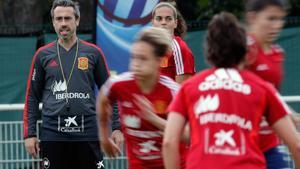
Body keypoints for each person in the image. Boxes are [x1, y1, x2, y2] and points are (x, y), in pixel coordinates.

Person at [162, 12, 300, 169]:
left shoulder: (189, 87)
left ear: (209, 52)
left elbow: (169, 142)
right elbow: (296, 145)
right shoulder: (262, 88)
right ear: (244, 52)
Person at [23, 0, 122, 168]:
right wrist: (29, 134)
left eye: (67, 18)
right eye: (59, 18)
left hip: (87, 133)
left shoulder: (93, 53)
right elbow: (32, 96)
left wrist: (117, 127)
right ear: (53, 22)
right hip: (53, 135)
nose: (63, 23)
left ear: (77, 20)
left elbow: (110, 91)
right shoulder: (42, 55)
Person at [97, 27, 188, 169]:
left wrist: (154, 119)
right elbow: (103, 99)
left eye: (143, 59)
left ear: (160, 60)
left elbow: (190, 135)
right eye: (134, 57)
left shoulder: (173, 91)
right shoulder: (119, 84)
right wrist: (104, 137)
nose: (136, 64)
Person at [245, 0, 300, 168]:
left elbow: (273, 98)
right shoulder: (241, 51)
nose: (276, 25)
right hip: (241, 143)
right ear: (252, 17)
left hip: (269, 143)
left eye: (280, 19)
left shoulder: (277, 53)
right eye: (270, 19)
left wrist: (293, 117)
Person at [152, 2, 195, 83]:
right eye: (159, 18)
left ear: (175, 23)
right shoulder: (149, 47)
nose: (163, 22)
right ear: (153, 23)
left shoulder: (179, 49)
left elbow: (182, 89)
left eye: (168, 18)